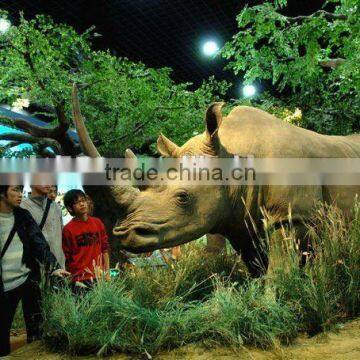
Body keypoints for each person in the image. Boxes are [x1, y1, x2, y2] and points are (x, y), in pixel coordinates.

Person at [0, 185, 69, 357]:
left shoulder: (23, 216)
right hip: (4, 286)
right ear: (2, 193)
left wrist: (53, 267)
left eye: (20, 189)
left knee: (36, 327)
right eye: (15, 190)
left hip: (27, 279)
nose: (20, 194)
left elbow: (38, 243)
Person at [62, 189, 110, 293]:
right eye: (77, 202)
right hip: (79, 278)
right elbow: (67, 257)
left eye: (83, 200)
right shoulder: (68, 229)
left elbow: (105, 249)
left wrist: (107, 272)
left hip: (99, 275)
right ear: (70, 208)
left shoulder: (97, 223)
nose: (82, 204)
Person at [21, 184, 65, 269]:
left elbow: (61, 237)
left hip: (58, 268)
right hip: (33, 270)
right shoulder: (21, 207)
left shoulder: (56, 207)